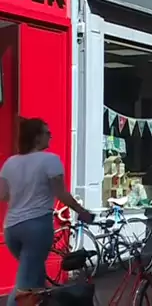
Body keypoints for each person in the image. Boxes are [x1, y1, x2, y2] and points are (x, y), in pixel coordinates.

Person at [0, 118, 93, 306]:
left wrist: (23, 197)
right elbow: (61, 194)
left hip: (12, 228)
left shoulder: (10, 163)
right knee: (24, 286)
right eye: (47, 133)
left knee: (36, 279)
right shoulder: (50, 160)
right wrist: (82, 212)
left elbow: (2, 195)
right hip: (36, 228)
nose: (50, 136)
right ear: (37, 137)